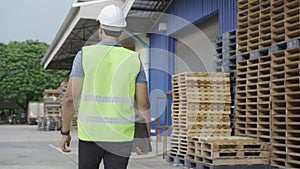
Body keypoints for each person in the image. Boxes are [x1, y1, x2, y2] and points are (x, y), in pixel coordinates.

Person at [60, 4, 151, 169]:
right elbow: (143, 103)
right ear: (121, 30)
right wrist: (143, 138)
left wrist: (65, 132)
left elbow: (69, 99)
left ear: (100, 28)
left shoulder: (84, 56)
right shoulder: (133, 59)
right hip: (121, 137)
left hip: (90, 135)